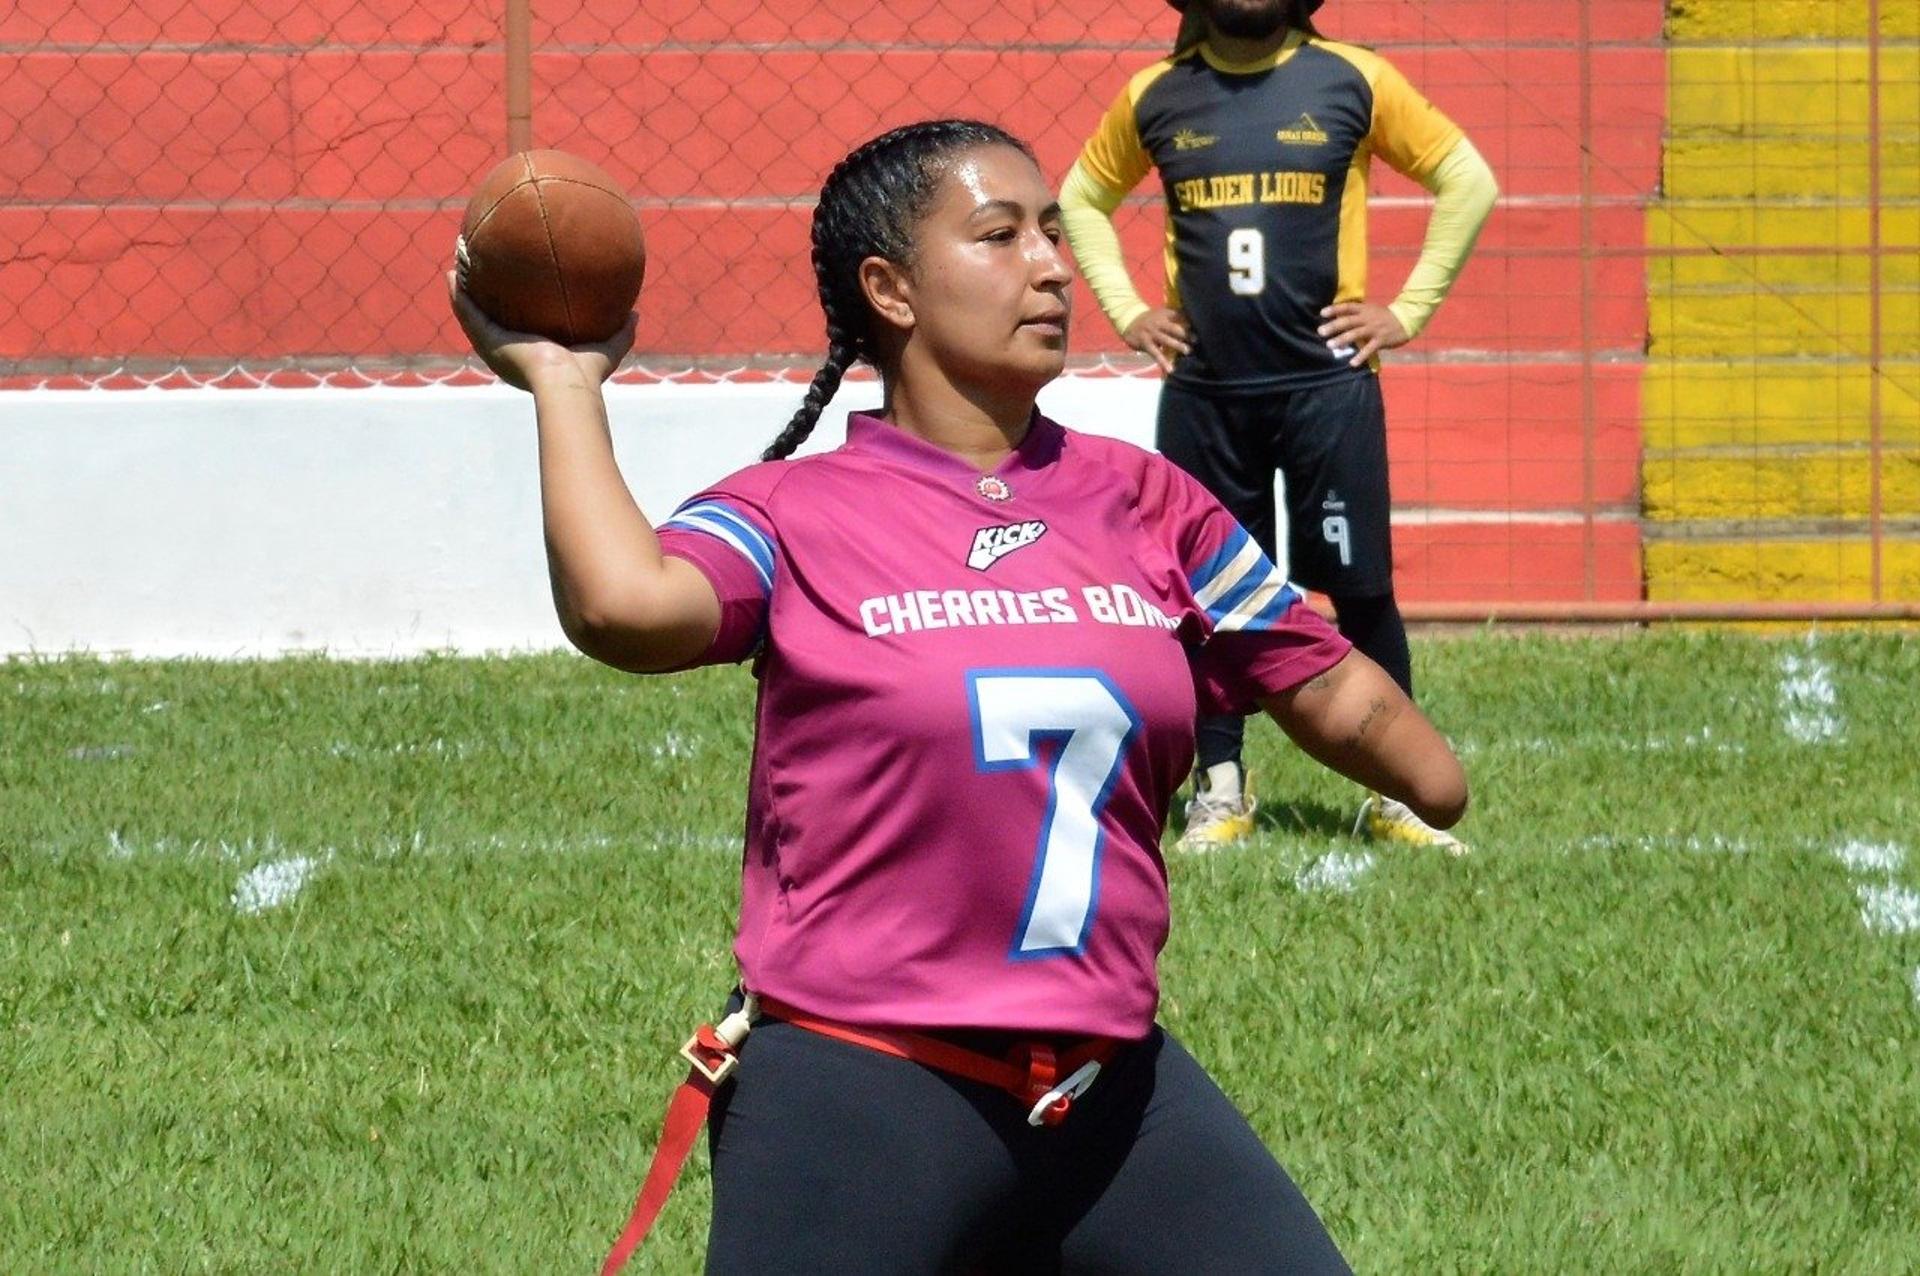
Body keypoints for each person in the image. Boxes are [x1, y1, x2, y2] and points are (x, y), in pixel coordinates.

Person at [453, 118, 1466, 1275]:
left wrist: (1397, 743)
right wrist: (562, 382)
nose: (1050, 264)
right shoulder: (801, 510)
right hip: (863, 1088)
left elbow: (1319, 678)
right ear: (889, 289)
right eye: (999, 235)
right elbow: (624, 608)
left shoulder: (1146, 500)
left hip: (1112, 1092)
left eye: (1050, 231)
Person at [1059, 0, 1498, 851]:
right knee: (1204, 597)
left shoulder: (1353, 78)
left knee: (1359, 586)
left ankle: (1395, 792)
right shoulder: (1155, 95)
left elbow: (1466, 177)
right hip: (1207, 393)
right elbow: (1081, 199)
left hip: (1326, 389)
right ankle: (1220, 785)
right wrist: (1126, 310)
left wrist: (1408, 310)